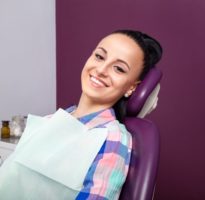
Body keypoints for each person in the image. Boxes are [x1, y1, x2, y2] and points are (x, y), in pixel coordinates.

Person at [0, 30, 163, 200]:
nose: (101, 70)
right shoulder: (50, 120)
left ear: (131, 88)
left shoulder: (112, 139)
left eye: (119, 69)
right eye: (100, 57)